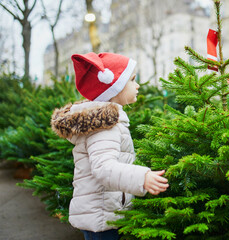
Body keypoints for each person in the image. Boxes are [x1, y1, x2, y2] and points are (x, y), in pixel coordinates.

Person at [51, 52, 169, 240]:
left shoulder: (104, 121)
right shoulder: (105, 125)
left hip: (103, 212)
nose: (137, 85)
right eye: (132, 80)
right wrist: (142, 177)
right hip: (103, 218)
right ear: (114, 88)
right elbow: (104, 168)